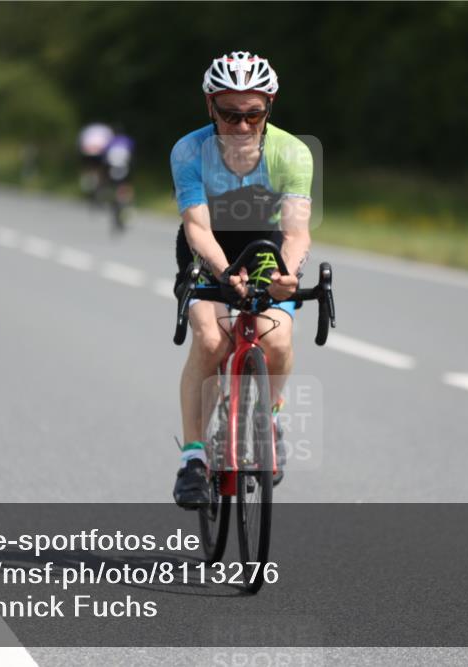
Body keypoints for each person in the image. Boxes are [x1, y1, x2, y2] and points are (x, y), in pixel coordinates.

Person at [170, 51, 313, 507]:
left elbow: (296, 231)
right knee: (212, 342)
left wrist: (285, 275)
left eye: (253, 114)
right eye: (230, 115)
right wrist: (223, 272)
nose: (242, 127)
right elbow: (197, 227)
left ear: (268, 108)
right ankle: (193, 458)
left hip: (267, 244)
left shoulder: (292, 152)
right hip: (209, 246)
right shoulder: (189, 150)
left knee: (278, 338)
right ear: (210, 107)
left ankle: (267, 417)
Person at [76, 122, 114, 200]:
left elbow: (80, 141)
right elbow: (111, 143)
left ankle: (87, 182)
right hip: (100, 151)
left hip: (86, 150)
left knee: (88, 167)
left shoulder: (88, 128)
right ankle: (101, 185)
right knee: (102, 169)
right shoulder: (106, 129)